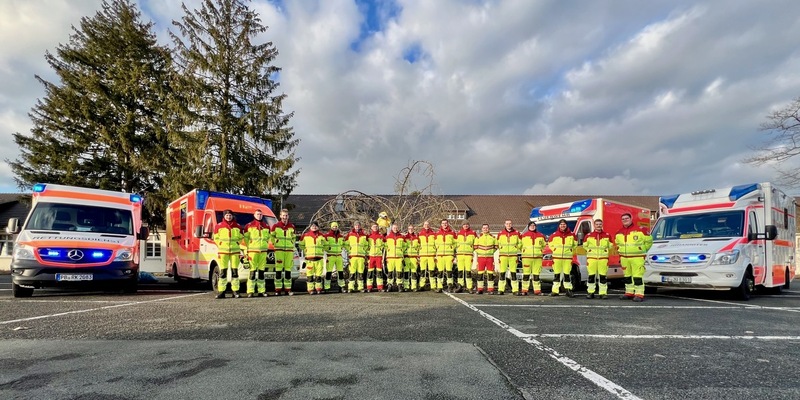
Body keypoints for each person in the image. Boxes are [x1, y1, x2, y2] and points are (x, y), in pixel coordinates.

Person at [616, 213, 653, 302]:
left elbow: (649, 242)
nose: (625, 220)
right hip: (624, 258)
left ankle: (639, 294)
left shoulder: (641, 230)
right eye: (623, 219)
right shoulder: (619, 232)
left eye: (627, 218)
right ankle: (629, 292)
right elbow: (617, 245)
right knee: (627, 276)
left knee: (637, 276)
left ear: (631, 218)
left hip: (637, 257)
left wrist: (642, 250)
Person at [213, 209, 244, 299]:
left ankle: (235, 291)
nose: (229, 217)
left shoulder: (237, 226)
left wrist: (237, 244)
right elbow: (216, 238)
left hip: (235, 252)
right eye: (227, 215)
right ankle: (221, 291)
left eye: (230, 215)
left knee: (235, 272)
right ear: (224, 216)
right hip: (223, 252)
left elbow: (241, 237)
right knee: (223, 272)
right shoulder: (218, 226)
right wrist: (221, 244)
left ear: (232, 216)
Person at [583, 219, 614, 299]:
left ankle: (603, 293)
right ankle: (590, 292)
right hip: (591, 259)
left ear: (602, 225)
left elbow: (610, 246)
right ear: (594, 225)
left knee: (603, 276)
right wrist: (590, 251)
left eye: (600, 224)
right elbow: (584, 246)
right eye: (597, 224)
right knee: (591, 276)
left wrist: (604, 252)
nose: (598, 225)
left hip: (603, 259)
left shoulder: (607, 235)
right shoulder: (588, 235)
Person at [243, 209, 270, 297]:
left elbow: (268, 238)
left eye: (261, 214)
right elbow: (246, 239)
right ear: (254, 215)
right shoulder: (249, 226)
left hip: (263, 252)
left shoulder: (266, 226)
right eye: (258, 214)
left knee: (262, 272)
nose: (259, 216)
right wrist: (249, 248)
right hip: (253, 252)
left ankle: (261, 290)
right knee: (252, 272)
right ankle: (250, 291)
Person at [270, 209, 296, 296]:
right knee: (278, 269)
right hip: (279, 250)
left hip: (289, 250)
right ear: (280, 216)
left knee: (288, 269)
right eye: (283, 215)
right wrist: (275, 244)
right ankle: (277, 289)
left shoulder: (292, 226)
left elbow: (294, 238)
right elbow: (272, 237)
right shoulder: (275, 226)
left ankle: (288, 289)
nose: (285, 217)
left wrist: (292, 244)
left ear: (288, 216)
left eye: (286, 216)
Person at [548, 219, 577, 297]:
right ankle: (555, 291)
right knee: (556, 275)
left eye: (564, 224)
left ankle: (568, 290)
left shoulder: (572, 235)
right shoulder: (554, 235)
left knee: (567, 274)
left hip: (567, 258)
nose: (562, 226)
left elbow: (575, 244)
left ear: (566, 225)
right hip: (557, 258)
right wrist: (555, 249)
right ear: (559, 226)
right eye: (561, 224)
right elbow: (550, 244)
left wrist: (570, 251)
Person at [299, 222, 327, 294]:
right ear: (310, 227)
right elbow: (301, 245)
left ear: (318, 227)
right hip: (309, 259)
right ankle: (310, 289)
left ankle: (318, 288)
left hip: (319, 259)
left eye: (315, 226)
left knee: (318, 275)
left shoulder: (322, 236)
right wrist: (306, 250)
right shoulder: (305, 236)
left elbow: (326, 245)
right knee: (309, 275)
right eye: (312, 226)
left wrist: (321, 250)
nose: (314, 227)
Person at [520, 221, 546, 295]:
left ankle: (537, 290)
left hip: (537, 258)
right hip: (526, 258)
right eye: (531, 225)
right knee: (526, 275)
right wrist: (524, 251)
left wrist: (541, 251)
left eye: (534, 225)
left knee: (536, 275)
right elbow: (519, 245)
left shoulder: (541, 235)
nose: (532, 226)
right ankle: (524, 290)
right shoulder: (524, 235)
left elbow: (544, 245)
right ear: (528, 227)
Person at [496, 220, 521, 295]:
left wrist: (516, 248)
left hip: (513, 256)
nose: (508, 225)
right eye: (507, 224)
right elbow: (497, 243)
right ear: (505, 224)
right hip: (503, 256)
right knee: (502, 273)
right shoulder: (500, 233)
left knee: (513, 273)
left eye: (510, 223)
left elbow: (520, 243)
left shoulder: (517, 233)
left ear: (511, 224)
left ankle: (515, 290)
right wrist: (501, 248)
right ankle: (501, 289)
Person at [345, 222, 369, 293]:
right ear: (354, 226)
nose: (357, 226)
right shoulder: (350, 234)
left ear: (360, 226)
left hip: (361, 257)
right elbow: (346, 244)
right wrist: (349, 250)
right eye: (356, 225)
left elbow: (367, 245)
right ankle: (351, 287)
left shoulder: (364, 235)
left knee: (360, 272)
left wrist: (364, 251)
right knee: (352, 272)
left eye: (358, 225)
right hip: (353, 256)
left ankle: (360, 287)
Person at [474, 223, 497, 294]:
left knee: (490, 273)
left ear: (488, 229)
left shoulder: (492, 237)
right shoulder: (478, 237)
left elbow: (496, 247)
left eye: (486, 228)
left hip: (490, 258)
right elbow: (475, 247)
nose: (485, 229)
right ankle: (480, 289)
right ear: (482, 229)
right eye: (484, 228)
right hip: (481, 258)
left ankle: (490, 289)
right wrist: (481, 252)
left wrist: (490, 252)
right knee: (480, 273)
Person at [434, 219, 456, 293]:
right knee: (440, 272)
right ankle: (439, 287)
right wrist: (438, 248)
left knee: (449, 271)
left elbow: (456, 243)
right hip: (440, 256)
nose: (444, 224)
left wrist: (452, 248)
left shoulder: (452, 233)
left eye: (446, 223)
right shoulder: (437, 233)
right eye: (443, 223)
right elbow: (435, 243)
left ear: (448, 224)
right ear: (441, 224)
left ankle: (450, 286)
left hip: (449, 255)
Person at [384, 223, 407, 292]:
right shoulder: (388, 237)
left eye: (396, 228)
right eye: (394, 228)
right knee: (390, 272)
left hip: (399, 257)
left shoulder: (401, 237)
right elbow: (385, 246)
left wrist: (401, 251)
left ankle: (399, 285)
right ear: (392, 228)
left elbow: (405, 246)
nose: (395, 229)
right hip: (390, 257)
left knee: (399, 272)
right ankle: (389, 285)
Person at [455, 221, 477, 293]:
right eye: (464, 224)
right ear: (462, 225)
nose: (465, 226)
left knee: (468, 271)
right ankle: (460, 286)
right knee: (460, 271)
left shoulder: (473, 233)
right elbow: (455, 243)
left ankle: (469, 287)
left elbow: (476, 244)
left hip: (468, 255)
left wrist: (472, 249)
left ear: (469, 225)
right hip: (460, 255)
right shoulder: (458, 233)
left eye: (467, 224)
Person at [325, 222, 346, 292]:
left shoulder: (341, 236)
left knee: (340, 272)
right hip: (330, 256)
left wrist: (341, 248)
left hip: (339, 256)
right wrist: (328, 249)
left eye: (336, 226)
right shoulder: (327, 236)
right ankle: (327, 287)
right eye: (333, 227)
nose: (335, 228)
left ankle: (341, 286)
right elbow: (324, 245)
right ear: (331, 227)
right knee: (329, 272)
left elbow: (343, 244)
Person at [417, 220, 437, 291]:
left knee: (432, 271)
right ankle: (421, 285)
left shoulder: (433, 234)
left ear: (429, 225)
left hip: (431, 255)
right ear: (423, 225)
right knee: (422, 271)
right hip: (423, 255)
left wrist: (436, 254)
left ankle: (433, 286)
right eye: (425, 224)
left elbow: (436, 244)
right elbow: (417, 244)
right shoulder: (420, 234)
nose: (426, 226)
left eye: (428, 224)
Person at [367, 223, 386, 292]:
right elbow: (366, 247)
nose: (375, 228)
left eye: (376, 227)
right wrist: (367, 256)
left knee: (379, 272)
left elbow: (385, 245)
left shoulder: (381, 236)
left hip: (379, 256)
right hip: (371, 256)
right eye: (373, 227)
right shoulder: (368, 237)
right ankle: (369, 287)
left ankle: (380, 287)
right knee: (370, 272)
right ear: (371, 228)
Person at [404, 224, 420, 291]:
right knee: (406, 272)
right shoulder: (404, 237)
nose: (410, 230)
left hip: (414, 257)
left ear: (413, 229)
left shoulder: (416, 238)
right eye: (409, 228)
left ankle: (414, 286)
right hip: (406, 257)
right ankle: (406, 286)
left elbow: (419, 247)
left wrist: (418, 257)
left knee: (414, 272)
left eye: (412, 228)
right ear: (408, 229)